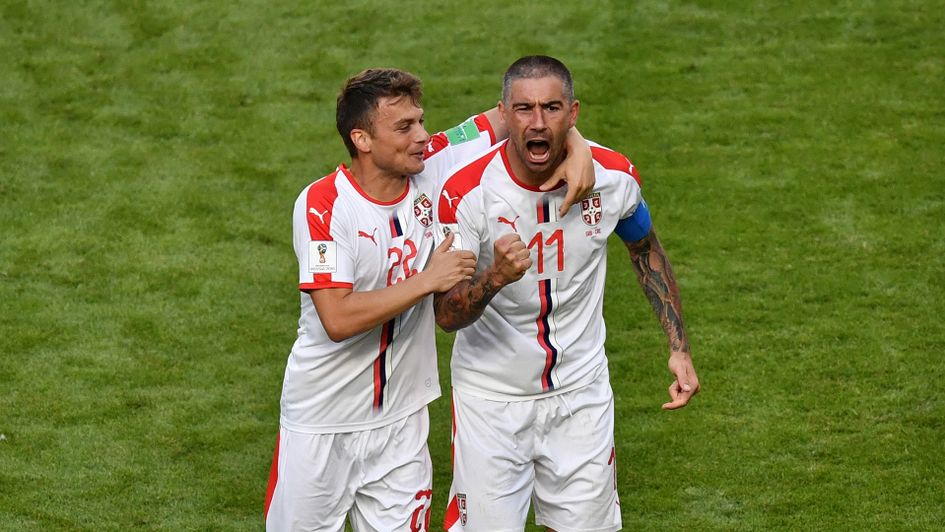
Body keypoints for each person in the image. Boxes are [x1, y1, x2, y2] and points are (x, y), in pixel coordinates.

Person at [264, 67, 595, 531]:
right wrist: (427, 280)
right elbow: (336, 317)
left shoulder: (433, 159)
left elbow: (515, 117)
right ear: (361, 139)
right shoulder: (323, 206)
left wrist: (576, 144)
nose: (423, 136)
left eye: (420, 121)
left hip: (403, 427)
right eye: (404, 127)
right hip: (321, 425)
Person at [434, 56, 700, 532]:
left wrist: (678, 348)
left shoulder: (615, 177)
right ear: (503, 114)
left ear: (573, 113)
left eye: (552, 108)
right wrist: (495, 278)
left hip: (581, 396)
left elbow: (646, 251)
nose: (538, 122)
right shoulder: (465, 193)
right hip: (491, 401)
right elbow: (446, 315)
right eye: (524, 109)